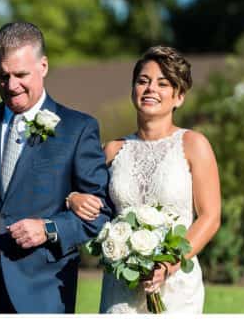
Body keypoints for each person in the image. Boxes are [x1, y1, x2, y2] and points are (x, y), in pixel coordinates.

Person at [0, 21, 111, 313]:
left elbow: (100, 214)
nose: (11, 86)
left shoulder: (79, 129)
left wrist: (49, 228)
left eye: (21, 75)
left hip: (44, 292)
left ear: (44, 66)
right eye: (3, 76)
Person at [65, 46, 221, 313]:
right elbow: (74, 191)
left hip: (176, 287)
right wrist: (73, 198)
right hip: (120, 288)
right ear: (133, 90)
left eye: (163, 83)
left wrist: (167, 265)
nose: (150, 89)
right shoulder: (113, 150)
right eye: (143, 81)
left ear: (179, 96)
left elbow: (210, 217)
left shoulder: (194, 144)